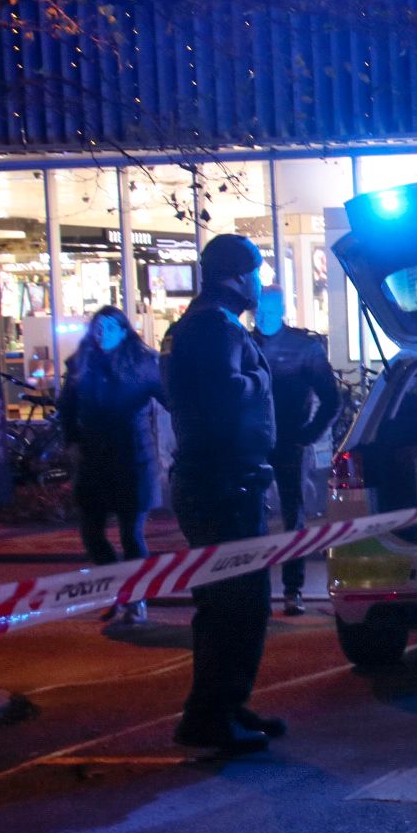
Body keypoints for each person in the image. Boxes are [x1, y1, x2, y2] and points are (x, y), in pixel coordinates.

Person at [161, 235, 281, 754]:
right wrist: (259, 379)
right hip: (222, 482)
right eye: (255, 272)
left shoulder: (199, 324)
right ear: (236, 275)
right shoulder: (215, 327)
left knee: (232, 602)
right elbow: (225, 397)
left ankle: (226, 704)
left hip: (215, 479)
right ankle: (210, 716)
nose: (259, 283)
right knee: (236, 604)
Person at [58, 306, 168, 630]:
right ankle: (115, 589)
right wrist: (72, 441)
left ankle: (136, 598)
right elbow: (67, 407)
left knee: (131, 534)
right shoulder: (81, 364)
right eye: (98, 326)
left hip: (132, 459)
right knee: (91, 533)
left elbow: (170, 399)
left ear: (123, 331)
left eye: (109, 327)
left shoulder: (143, 364)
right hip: (94, 460)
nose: (101, 333)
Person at [252, 286, 341, 615]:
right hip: (255, 441)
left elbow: (331, 399)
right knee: (255, 516)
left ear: (282, 311)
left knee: (292, 515)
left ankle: (292, 589)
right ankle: (260, 588)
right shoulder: (247, 344)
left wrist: (308, 435)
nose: (263, 318)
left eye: (269, 312)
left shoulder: (302, 347)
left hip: (288, 440)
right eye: (259, 312)